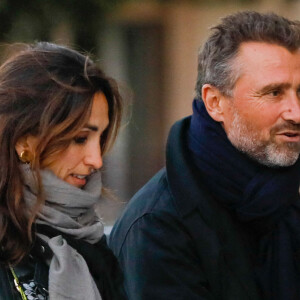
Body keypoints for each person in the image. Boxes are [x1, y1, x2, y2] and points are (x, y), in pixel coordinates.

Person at [109, 11, 300, 300]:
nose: (295, 112)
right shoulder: (157, 225)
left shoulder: (287, 195)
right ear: (215, 102)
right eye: (274, 93)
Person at [0, 42, 126, 300]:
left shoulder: (94, 244)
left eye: (100, 139)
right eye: (80, 139)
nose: (96, 160)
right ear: (24, 141)